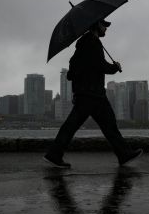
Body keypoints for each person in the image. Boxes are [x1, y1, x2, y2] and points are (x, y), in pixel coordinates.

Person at [43, 19, 143, 168]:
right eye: (104, 25)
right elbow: (99, 65)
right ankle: (123, 154)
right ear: (96, 26)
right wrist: (114, 67)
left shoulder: (83, 44)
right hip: (93, 95)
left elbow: (72, 71)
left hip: (86, 94)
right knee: (106, 125)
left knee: (84, 125)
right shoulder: (92, 43)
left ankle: (123, 154)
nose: (106, 29)